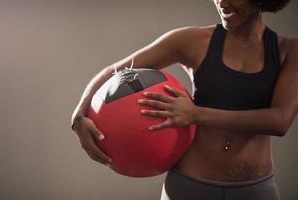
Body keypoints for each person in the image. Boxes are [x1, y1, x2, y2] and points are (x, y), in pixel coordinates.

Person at [71, 0, 297, 199]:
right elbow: (114, 71)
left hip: (254, 189)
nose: (222, 2)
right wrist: (79, 115)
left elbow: (279, 121)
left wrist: (195, 114)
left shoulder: (289, 50)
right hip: (189, 187)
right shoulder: (192, 41)